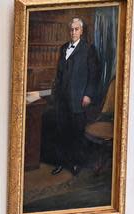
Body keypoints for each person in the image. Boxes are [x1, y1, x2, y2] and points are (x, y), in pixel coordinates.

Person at [49, 17, 101, 176]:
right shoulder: (63, 48)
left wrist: (88, 95)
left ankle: (76, 164)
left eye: (76, 29)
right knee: (60, 131)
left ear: (81, 31)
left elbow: (94, 74)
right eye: (71, 29)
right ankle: (61, 162)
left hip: (78, 99)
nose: (73, 32)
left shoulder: (88, 49)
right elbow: (59, 74)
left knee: (76, 133)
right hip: (62, 99)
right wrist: (55, 92)